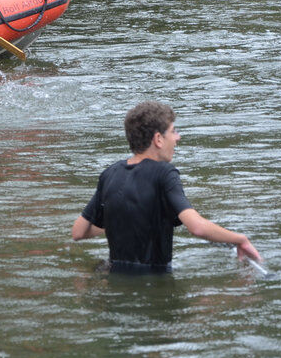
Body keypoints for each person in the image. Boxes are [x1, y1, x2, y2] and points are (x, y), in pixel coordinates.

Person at [71, 101, 262, 273]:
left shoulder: (109, 174)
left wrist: (128, 222)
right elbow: (197, 227)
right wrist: (240, 239)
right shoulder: (165, 173)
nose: (177, 137)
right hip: (153, 283)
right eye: (173, 131)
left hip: (114, 277)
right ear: (158, 139)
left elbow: (78, 232)